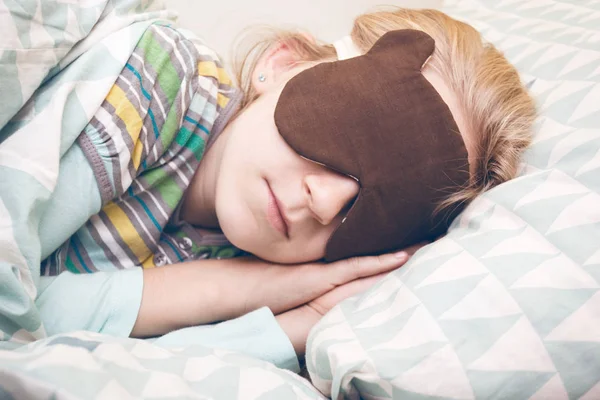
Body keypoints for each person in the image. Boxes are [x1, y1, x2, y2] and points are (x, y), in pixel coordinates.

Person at [37, 7, 536, 372]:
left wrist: (305, 318)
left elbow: (99, 375)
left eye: (382, 212)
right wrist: (233, 288)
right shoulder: (160, 78)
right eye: (355, 130)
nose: (326, 202)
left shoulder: (262, 269)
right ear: (282, 63)